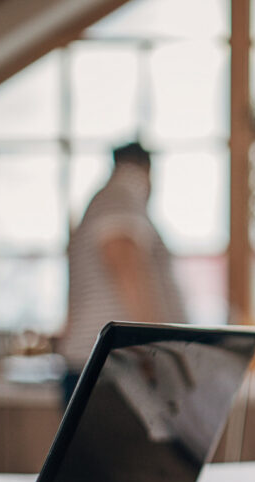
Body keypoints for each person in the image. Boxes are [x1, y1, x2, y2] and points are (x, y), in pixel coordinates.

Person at [59, 142, 186, 404]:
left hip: (103, 367)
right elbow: (128, 273)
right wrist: (158, 354)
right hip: (110, 369)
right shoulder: (120, 196)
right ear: (147, 170)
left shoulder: (105, 201)